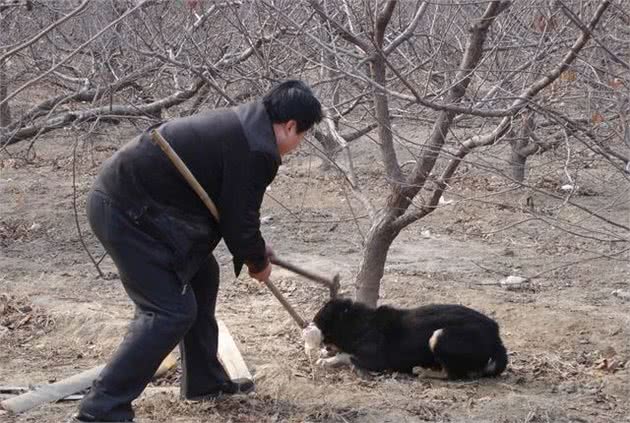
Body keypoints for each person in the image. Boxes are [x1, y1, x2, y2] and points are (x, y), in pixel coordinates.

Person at [71, 80, 323, 422]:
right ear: (290, 125)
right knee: (169, 311)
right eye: (302, 136)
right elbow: (238, 222)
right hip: (127, 212)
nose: (298, 144)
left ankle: (204, 381)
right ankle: (101, 407)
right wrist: (257, 260)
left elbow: (234, 208)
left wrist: (256, 248)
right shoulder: (258, 148)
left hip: (143, 207)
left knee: (204, 275)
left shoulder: (250, 127)